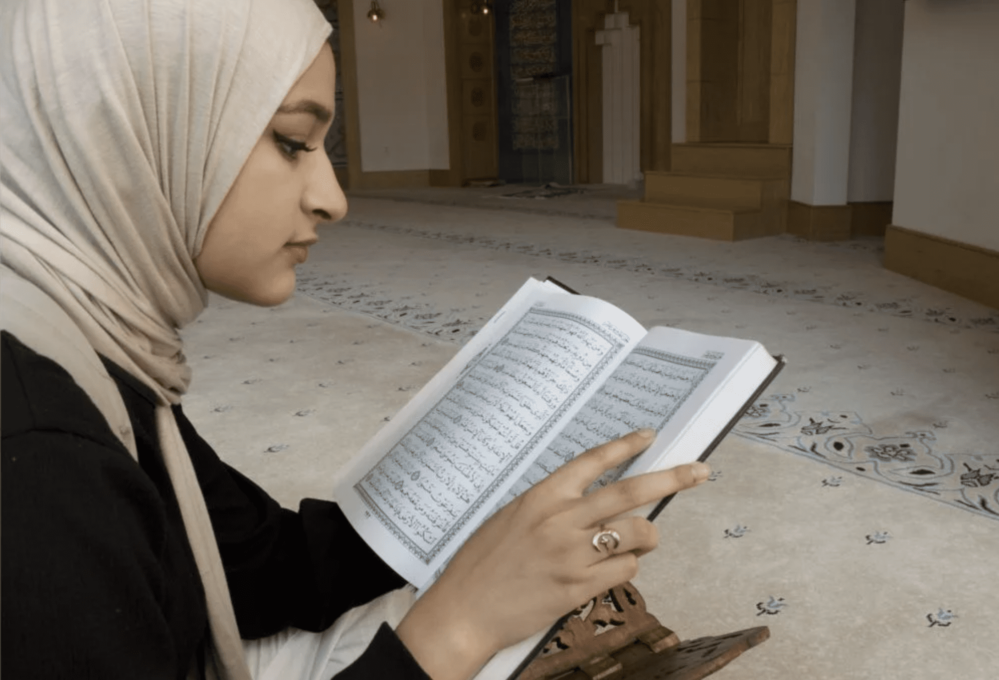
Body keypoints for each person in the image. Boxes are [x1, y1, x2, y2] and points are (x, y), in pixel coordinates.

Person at [0, 1, 710, 679]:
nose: (331, 199)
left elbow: (255, 565)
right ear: (124, 134)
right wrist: (462, 625)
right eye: (290, 143)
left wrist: (483, 516)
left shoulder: (89, 338)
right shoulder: (37, 451)